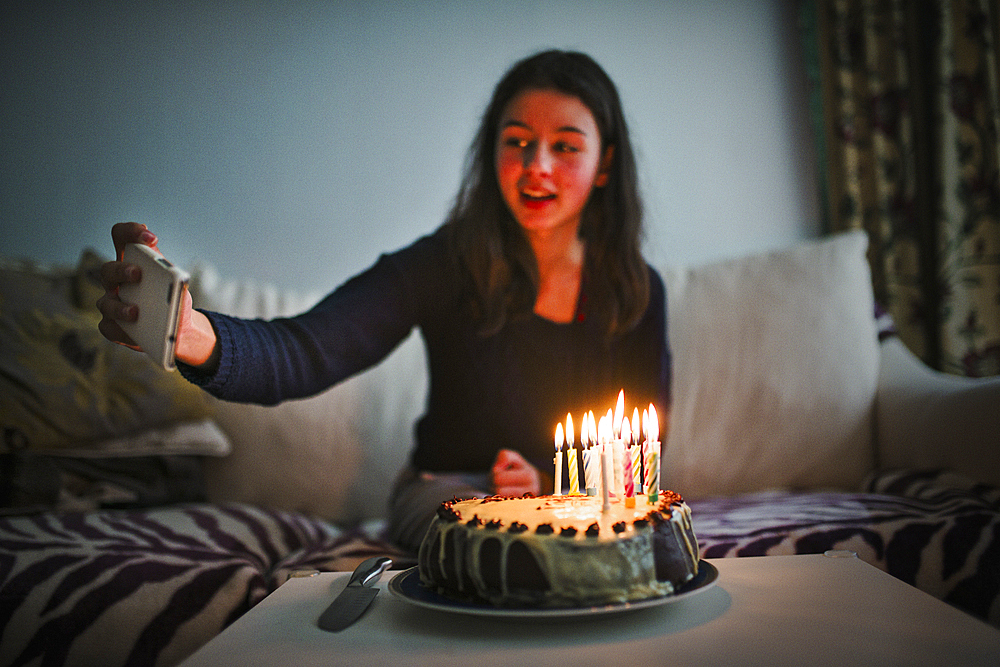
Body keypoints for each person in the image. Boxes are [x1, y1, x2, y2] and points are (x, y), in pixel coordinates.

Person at [97, 50, 671, 552]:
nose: (535, 165)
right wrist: (197, 335)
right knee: (505, 545)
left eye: (565, 146)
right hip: (447, 494)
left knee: (630, 545)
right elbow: (309, 349)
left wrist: (551, 485)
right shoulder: (443, 264)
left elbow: (642, 454)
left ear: (606, 164)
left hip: (580, 504)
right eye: (517, 140)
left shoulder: (636, 291)